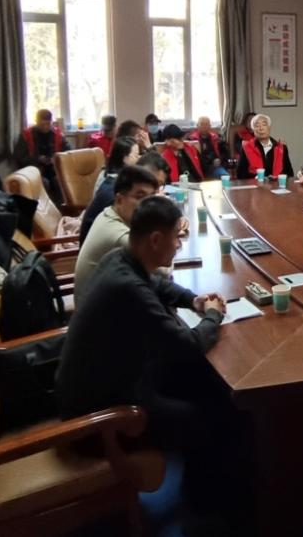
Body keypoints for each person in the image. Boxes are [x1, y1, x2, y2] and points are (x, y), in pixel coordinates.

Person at [55, 198, 246, 524]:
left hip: (107, 381)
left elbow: (156, 283)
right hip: (100, 415)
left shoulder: (120, 259)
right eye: (176, 238)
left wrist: (194, 300)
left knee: (200, 382)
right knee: (203, 416)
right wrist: (213, 316)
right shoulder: (127, 288)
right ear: (156, 239)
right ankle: (207, 510)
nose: (178, 246)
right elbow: (188, 345)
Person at [73, 165, 160, 307]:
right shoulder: (116, 234)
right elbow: (162, 269)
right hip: (99, 316)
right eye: (140, 197)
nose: (148, 205)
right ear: (119, 199)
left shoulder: (110, 212)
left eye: (152, 198)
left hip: (108, 302)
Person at [78, 136, 141, 244]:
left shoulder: (116, 178)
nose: (139, 159)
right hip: (97, 242)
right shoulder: (113, 187)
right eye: (136, 155)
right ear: (124, 158)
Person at [13, 109, 68, 199]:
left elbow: (69, 154)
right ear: (37, 122)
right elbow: (19, 156)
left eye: (48, 124)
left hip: (54, 170)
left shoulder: (59, 135)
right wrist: (37, 159)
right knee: (43, 183)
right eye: (42, 125)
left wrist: (57, 158)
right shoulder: (26, 135)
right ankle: (44, 207)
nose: (45, 127)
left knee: (60, 182)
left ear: (51, 122)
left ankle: (63, 206)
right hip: (34, 170)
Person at [236, 113, 292, 179]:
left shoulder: (281, 148)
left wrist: (277, 178)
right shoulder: (246, 147)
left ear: (269, 128)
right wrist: (256, 177)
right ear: (253, 130)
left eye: (264, 125)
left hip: (277, 184)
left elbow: (289, 173)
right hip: (255, 184)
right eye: (257, 125)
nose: (261, 128)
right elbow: (240, 174)